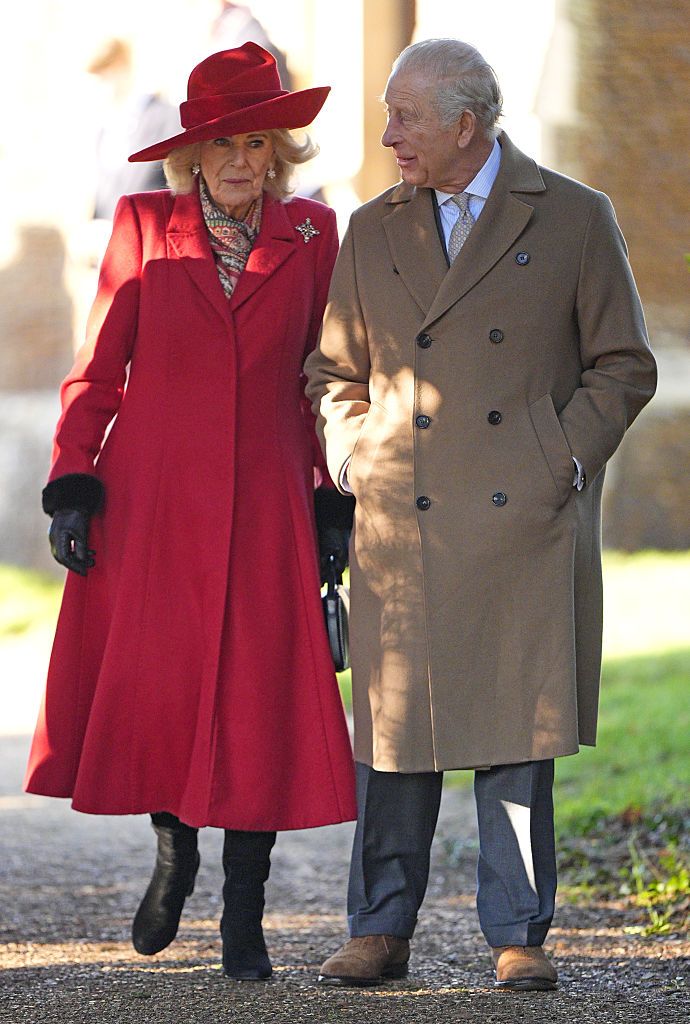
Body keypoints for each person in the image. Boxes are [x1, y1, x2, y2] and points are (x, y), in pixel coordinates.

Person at [305, 38, 657, 991]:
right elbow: (334, 371)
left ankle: (519, 933)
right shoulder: (371, 228)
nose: (388, 136)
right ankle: (380, 928)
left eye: (405, 117)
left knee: (516, 732)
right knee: (395, 736)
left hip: (521, 519)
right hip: (401, 517)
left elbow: (624, 364)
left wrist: (559, 458)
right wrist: (355, 455)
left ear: (466, 125)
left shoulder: (576, 216)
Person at [24, 42, 356, 982]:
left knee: (259, 699)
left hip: (269, 504)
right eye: (221, 144)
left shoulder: (315, 234)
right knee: (167, 688)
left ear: (278, 149)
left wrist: (332, 499)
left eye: (255, 142)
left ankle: (245, 913)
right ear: (191, 155)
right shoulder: (142, 225)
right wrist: (74, 482)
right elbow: (98, 371)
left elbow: (327, 380)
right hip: (156, 504)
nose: (240, 160)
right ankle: (175, 855)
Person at [87, 38, 181, 220]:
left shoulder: (166, 118)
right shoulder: (104, 130)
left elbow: (179, 185)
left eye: (103, 77)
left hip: (153, 229)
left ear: (120, 68)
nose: (98, 88)